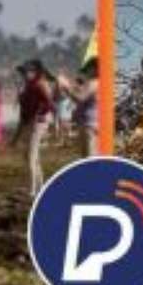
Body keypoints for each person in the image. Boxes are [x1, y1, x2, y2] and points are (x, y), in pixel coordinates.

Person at [16, 59, 55, 196]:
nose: (24, 75)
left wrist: (40, 115)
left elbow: (49, 104)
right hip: (31, 122)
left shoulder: (40, 84)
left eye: (26, 72)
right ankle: (40, 187)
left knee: (31, 155)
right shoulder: (27, 87)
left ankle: (32, 191)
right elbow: (24, 112)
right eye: (23, 72)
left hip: (39, 123)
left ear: (34, 72)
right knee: (30, 156)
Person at [58, 56, 99, 158]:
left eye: (88, 70)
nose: (86, 73)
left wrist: (66, 88)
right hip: (93, 123)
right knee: (91, 156)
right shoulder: (100, 83)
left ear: (94, 69)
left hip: (89, 125)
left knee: (88, 158)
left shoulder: (94, 83)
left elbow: (80, 99)